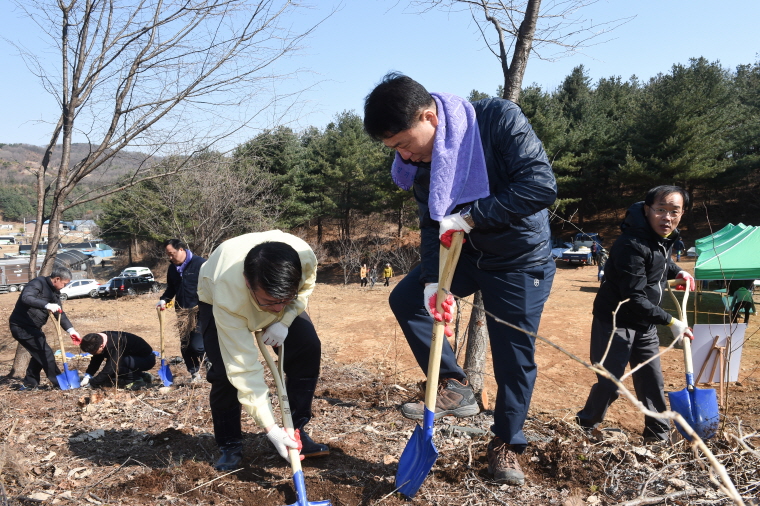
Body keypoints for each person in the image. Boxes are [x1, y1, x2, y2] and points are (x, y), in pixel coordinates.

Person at [364, 73, 557, 486]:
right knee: (408, 299)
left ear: (429, 117)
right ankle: (456, 384)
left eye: (403, 144)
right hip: (464, 251)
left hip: (518, 257)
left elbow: (540, 186)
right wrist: (435, 283)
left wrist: (473, 217)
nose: (404, 157)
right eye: (393, 149)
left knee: (514, 359)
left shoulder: (497, 120)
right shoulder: (418, 162)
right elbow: (432, 225)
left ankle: (506, 442)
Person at [197, 231, 328, 471]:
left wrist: (285, 318)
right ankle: (230, 445)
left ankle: (295, 432)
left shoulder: (304, 256)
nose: (276, 308)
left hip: (274, 294)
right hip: (216, 299)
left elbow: (306, 288)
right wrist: (270, 428)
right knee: (226, 374)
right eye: (270, 302)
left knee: (307, 347)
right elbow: (243, 367)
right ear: (249, 282)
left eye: (285, 298)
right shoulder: (227, 294)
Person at [576, 185, 696, 444]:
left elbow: (659, 262)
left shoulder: (662, 240)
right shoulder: (630, 244)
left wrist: (677, 271)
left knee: (652, 381)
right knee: (610, 383)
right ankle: (585, 426)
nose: (667, 217)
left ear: (682, 213)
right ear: (647, 210)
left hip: (645, 325)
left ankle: (658, 436)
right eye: (660, 210)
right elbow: (634, 297)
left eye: (674, 211)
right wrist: (671, 321)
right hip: (615, 322)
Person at [9, 265, 81, 390]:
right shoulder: (38, 283)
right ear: (57, 279)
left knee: (40, 353)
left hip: (33, 327)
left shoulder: (55, 293)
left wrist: (71, 330)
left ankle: (30, 383)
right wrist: (46, 305)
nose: (64, 287)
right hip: (21, 326)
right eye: (64, 283)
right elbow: (26, 298)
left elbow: (59, 313)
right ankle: (59, 382)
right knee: (45, 352)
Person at [157, 239, 207, 382]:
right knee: (185, 345)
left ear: (181, 249)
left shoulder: (201, 264)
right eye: (168, 255)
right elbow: (171, 288)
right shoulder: (172, 268)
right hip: (182, 311)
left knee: (197, 346)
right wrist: (164, 300)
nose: (170, 257)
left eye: (172, 254)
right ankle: (194, 373)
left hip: (200, 310)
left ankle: (210, 362)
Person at [79, 331, 156, 390]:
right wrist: (88, 375)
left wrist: (93, 383)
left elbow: (111, 367)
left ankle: (137, 380)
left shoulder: (115, 343)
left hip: (146, 359)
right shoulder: (99, 339)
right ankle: (144, 376)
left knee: (116, 365)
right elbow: (96, 359)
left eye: (94, 352)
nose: (93, 354)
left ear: (101, 346)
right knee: (111, 373)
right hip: (132, 358)